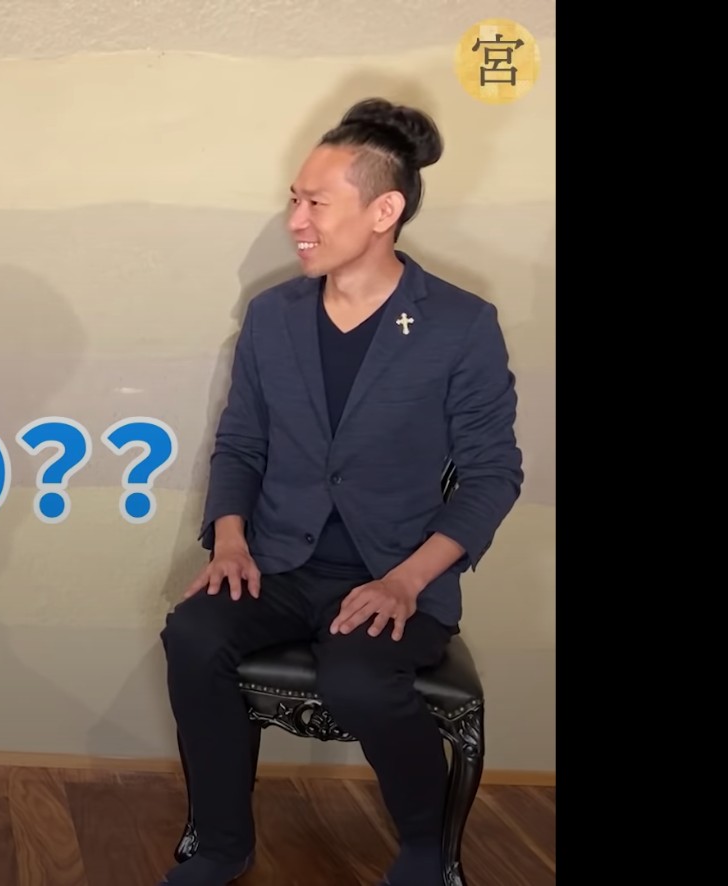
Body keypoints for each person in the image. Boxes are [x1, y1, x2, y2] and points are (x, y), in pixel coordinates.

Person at [158, 98, 524, 886]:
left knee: (357, 679)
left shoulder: (460, 325)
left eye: (316, 203)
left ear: (384, 211)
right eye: (294, 199)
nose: (295, 221)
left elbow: (493, 474)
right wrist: (230, 541)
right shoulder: (272, 317)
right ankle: (221, 843)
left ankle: (424, 845)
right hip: (279, 564)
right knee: (192, 634)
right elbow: (242, 444)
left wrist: (406, 581)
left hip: (396, 572)